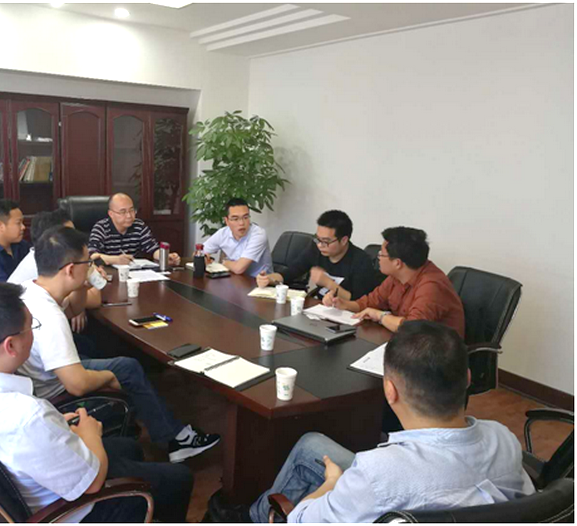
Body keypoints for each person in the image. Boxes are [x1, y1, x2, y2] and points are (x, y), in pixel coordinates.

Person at [0, 282, 194, 523]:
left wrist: (55, 428)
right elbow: (93, 484)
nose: (33, 333)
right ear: (10, 346)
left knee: (129, 448)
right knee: (179, 478)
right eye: (31, 327)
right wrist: (90, 434)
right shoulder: (27, 417)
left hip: (23, 476)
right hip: (67, 510)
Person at [228, 321, 535, 523]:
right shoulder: (503, 439)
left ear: (390, 390)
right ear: (467, 379)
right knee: (312, 444)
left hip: (391, 491)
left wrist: (333, 483)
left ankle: (252, 518)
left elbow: (301, 520)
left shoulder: (378, 471)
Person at [19, 225, 220, 463]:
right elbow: (77, 385)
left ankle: (164, 429)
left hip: (49, 372)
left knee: (122, 364)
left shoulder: (32, 289)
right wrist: (109, 377)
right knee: (127, 368)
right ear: (70, 269)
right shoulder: (50, 318)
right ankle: (176, 439)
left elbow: (73, 309)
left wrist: (83, 285)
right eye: (87, 263)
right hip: (54, 386)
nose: (91, 267)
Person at [324, 226, 465, 337]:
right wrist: (343, 304)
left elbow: (412, 328)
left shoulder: (432, 286)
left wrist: (380, 316)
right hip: (408, 344)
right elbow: (370, 302)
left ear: (397, 263)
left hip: (438, 354)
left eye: (381, 254)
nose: (378, 258)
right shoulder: (397, 276)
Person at [8, 208, 100, 347]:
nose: (75, 238)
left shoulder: (43, 262)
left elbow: (70, 309)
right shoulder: (48, 268)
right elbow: (95, 300)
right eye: (69, 235)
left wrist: (81, 287)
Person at [256, 210, 382, 299]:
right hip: (318, 308)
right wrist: (269, 279)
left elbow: (359, 301)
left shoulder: (361, 261)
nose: (320, 245)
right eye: (318, 239)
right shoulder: (315, 248)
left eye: (326, 241)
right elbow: (291, 272)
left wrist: (329, 284)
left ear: (344, 240)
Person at [88, 193, 180, 266]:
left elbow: (153, 249)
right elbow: (92, 255)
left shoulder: (138, 225)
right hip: (109, 274)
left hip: (135, 273)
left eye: (131, 210)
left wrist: (165, 257)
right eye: (123, 212)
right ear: (111, 214)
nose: (129, 216)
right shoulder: (101, 228)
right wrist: (116, 260)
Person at [202, 197, 273, 277]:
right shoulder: (223, 233)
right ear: (227, 221)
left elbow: (239, 269)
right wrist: (204, 258)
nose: (241, 223)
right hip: (234, 279)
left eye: (245, 217)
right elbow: (199, 252)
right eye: (235, 219)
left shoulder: (258, 234)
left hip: (259, 282)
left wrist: (224, 262)